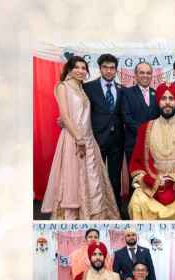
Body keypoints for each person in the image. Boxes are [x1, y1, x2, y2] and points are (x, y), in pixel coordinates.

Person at [41, 56, 119, 220]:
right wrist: (78, 138)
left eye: (84, 68)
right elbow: (65, 115)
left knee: (93, 178)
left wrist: (84, 138)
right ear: (69, 69)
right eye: (77, 67)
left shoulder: (82, 88)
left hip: (89, 139)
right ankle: (75, 214)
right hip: (73, 138)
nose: (81, 70)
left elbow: (85, 114)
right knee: (73, 178)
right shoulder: (63, 87)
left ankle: (93, 213)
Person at [127, 82, 175, 220]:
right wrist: (148, 179)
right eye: (163, 99)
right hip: (153, 182)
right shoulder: (146, 128)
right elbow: (137, 163)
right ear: (158, 102)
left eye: (171, 99)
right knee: (136, 202)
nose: (167, 103)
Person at [82, 53, 126, 215]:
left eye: (112, 68)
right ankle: (96, 210)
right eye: (105, 67)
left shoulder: (122, 90)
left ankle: (115, 211)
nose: (109, 71)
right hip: (96, 139)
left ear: (116, 70)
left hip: (117, 141)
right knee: (95, 177)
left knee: (115, 178)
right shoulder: (88, 87)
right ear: (100, 69)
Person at [121, 62, 159, 170]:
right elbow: (126, 117)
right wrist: (144, 132)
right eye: (142, 73)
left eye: (148, 73)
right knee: (135, 179)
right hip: (134, 144)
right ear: (136, 75)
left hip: (153, 146)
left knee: (152, 177)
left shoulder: (156, 94)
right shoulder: (127, 93)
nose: (145, 76)